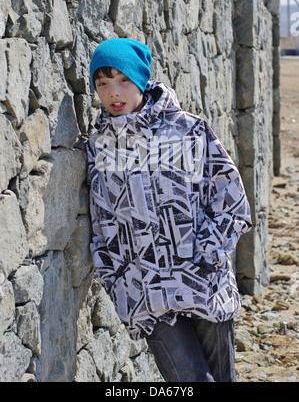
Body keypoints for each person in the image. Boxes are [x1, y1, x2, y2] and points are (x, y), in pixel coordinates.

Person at [87, 38, 252, 382]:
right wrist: (118, 282)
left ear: (141, 80)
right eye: (102, 83)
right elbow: (103, 224)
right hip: (147, 294)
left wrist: (207, 257)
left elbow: (232, 201)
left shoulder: (189, 130)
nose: (113, 92)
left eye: (123, 80)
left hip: (204, 285)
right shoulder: (101, 146)